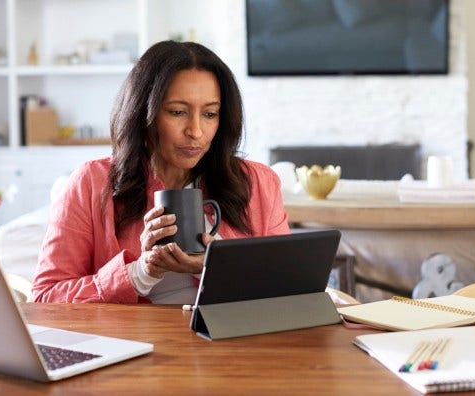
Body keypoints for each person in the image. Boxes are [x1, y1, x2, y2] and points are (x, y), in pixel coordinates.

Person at [32, 41, 290, 304]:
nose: (196, 131)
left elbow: (290, 290)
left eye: (210, 114)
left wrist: (220, 269)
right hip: (133, 343)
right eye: (178, 112)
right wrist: (139, 273)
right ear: (143, 113)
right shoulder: (91, 183)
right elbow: (45, 299)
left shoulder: (258, 183)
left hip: (227, 342)